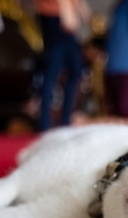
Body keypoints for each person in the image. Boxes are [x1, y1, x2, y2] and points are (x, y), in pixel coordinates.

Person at [34, 0, 90, 131]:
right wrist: (66, 9)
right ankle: (45, 121)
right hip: (53, 14)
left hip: (62, 13)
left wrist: (79, 6)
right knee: (53, 69)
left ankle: (64, 120)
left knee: (75, 69)